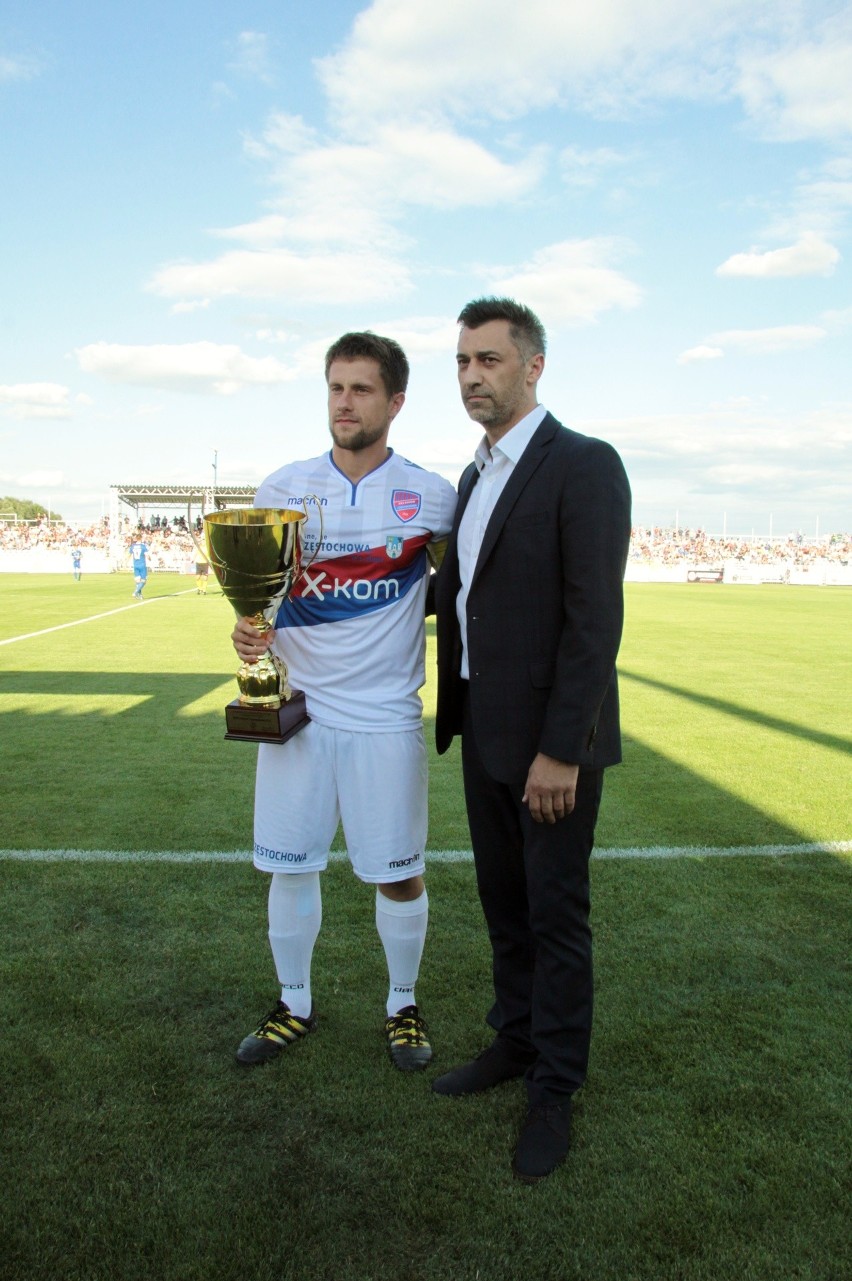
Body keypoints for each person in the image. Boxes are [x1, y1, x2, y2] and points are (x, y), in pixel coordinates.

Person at [430, 298, 631, 1182]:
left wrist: (564, 749)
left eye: (489, 360)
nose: (473, 375)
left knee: (555, 915)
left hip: (552, 748)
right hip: (483, 731)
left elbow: (594, 622)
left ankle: (554, 1085)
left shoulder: (583, 464)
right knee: (504, 906)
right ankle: (513, 1042)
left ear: (533, 366)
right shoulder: (473, 476)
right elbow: (465, 602)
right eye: (464, 361)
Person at [231, 331, 457, 1073]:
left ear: (394, 401)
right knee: (290, 865)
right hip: (298, 712)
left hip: (386, 714)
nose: (344, 402)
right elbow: (262, 594)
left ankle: (401, 1002)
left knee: (397, 870)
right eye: (335, 386)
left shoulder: (432, 495)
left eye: (361, 389)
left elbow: (457, 594)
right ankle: (293, 1001)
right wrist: (249, 628)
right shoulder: (281, 488)